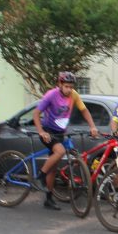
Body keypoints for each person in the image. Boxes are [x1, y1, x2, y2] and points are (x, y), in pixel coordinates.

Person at [33, 71, 100, 210]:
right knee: (60, 151)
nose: (69, 89)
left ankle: (48, 199)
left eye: (71, 87)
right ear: (60, 84)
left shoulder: (74, 95)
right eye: (66, 86)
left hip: (60, 133)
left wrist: (92, 126)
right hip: (48, 132)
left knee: (53, 168)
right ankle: (40, 176)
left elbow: (84, 111)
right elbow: (36, 113)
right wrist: (41, 132)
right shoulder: (51, 95)